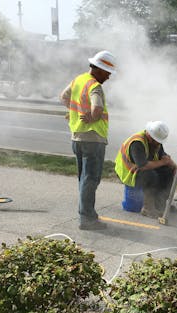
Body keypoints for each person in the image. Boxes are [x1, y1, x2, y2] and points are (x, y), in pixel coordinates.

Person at [60, 50, 116, 230]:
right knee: (90, 179)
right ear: (99, 69)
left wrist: (74, 112)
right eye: (107, 73)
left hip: (77, 138)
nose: (108, 77)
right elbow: (97, 108)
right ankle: (87, 219)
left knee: (84, 179)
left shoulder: (78, 80)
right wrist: (92, 117)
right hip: (93, 139)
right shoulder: (95, 86)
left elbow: (63, 96)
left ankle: (86, 214)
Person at [115, 121, 177, 218]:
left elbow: (164, 158)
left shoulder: (155, 142)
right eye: (156, 141)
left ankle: (160, 204)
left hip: (141, 170)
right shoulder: (137, 143)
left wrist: (175, 167)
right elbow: (143, 165)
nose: (158, 144)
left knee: (168, 172)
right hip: (129, 173)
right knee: (150, 175)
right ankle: (147, 208)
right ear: (149, 135)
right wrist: (162, 162)